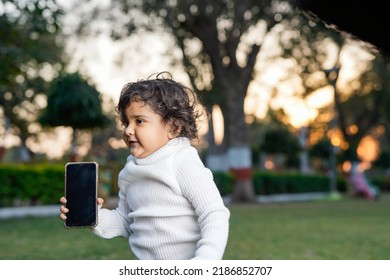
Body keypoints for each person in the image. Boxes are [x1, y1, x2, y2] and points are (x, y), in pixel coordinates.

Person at [59, 72, 230, 260]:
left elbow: (214, 213)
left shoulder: (182, 160)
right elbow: (125, 220)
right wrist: (93, 215)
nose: (128, 130)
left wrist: (206, 261)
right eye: (126, 122)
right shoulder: (129, 170)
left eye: (139, 121)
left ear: (173, 127)